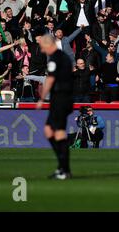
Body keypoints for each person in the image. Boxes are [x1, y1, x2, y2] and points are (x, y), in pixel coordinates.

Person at [37, 34, 74, 180]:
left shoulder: (55, 58)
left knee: (59, 132)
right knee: (48, 131)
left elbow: (51, 79)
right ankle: (62, 167)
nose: (41, 49)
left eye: (42, 46)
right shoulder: (64, 57)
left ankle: (64, 170)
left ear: (48, 44)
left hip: (61, 98)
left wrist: (41, 98)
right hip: (60, 98)